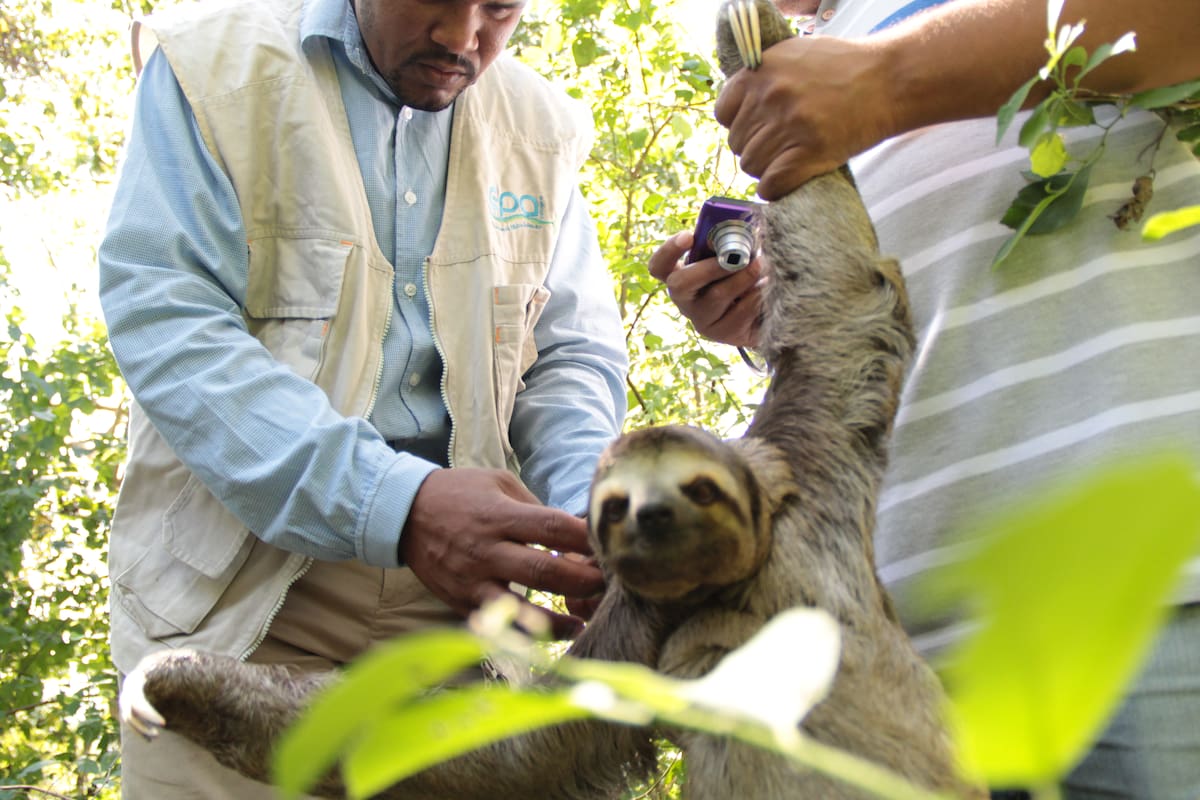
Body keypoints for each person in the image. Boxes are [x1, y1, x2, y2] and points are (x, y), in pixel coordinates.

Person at [651, 0, 1200, 797]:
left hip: (1143, 599)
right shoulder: (819, 57)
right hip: (905, 660)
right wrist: (770, 313)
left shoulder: (863, 63)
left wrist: (885, 81)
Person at [97, 0, 627, 795]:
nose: (462, 37)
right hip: (242, 612)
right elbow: (171, 321)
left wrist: (591, 511)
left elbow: (568, 355)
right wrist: (396, 506)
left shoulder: (540, 128)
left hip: (463, 629)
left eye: (500, 9)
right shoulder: (211, 70)